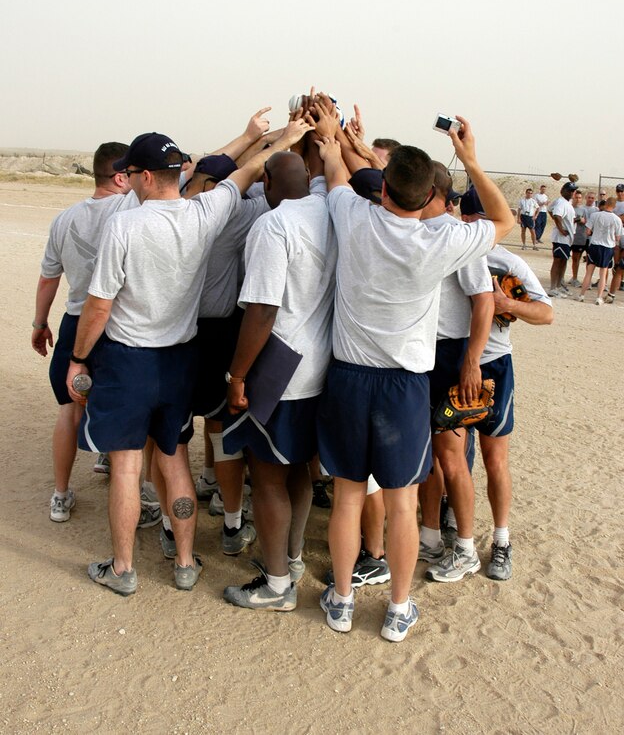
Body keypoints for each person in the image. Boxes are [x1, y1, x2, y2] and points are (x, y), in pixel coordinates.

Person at [66, 122, 311, 597]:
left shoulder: (124, 223)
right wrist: (283, 136)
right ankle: (183, 561)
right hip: (179, 358)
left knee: (126, 465)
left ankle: (123, 568)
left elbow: (99, 304)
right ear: (176, 172)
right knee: (175, 459)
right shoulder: (203, 214)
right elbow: (247, 172)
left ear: (139, 176)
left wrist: (78, 358)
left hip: (129, 359)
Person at [316, 116, 515, 642]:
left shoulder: (352, 215)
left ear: (383, 188)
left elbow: (336, 168)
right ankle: (399, 608)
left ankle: (341, 599)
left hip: (349, 376)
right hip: (404, 384)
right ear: (429, 194)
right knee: (402, 500)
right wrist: (469, 157)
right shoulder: (441, 238)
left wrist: (334, 135)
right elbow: (504, 219)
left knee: (348, 495)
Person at [222, 140, 337, 611]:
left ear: (266, 182)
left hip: (281, 368)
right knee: (299, 469)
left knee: (266, 476)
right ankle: (290, 559)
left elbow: (263, 308)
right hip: (322, 363)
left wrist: (238, 374)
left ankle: (275, 586)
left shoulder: (274, 225)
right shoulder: (327, 211)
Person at [32, 142, 132, 522]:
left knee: (69, 409)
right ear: (121, 176)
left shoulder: (64, 218)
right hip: (114, 324)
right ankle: (126, 477)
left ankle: (60, 494)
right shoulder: (129, 207)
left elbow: (48, 279)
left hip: (74, 320)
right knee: (121, 404)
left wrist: (40, 324)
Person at [457, 187, 554, 580]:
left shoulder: (507, 260)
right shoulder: (452, 251)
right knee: (450, 457)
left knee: (494, 459)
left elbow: (546, 313)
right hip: (453, 362)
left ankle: (501, 539)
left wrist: (508, 304)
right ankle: (455, 529)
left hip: (495, 365)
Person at [417, 164, 495, 582]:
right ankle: (429, 536)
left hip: (450, 355)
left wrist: (471, 360)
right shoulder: (416, 230)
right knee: (429, 454)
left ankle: (465, 547)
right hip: (422, 355)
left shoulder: (458, 237)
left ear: (430, 192)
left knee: (451, 456)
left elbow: (483, 300)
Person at [577, 197, 623, 304]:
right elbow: (618, 238)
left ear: (605, 204)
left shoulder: (595, 215)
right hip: (607, 247)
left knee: (589, 272)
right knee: (603, 273)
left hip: (594, 245)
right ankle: (598, 297)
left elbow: (588, 231)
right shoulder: (617, 219)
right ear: (614, 206)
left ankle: (582, 295)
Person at [547, 182, 576, 297]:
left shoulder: (565, 202)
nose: (572, 193)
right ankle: (553, 287)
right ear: (563, 191)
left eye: (573, 190)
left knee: (563, 261)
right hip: (561, 238)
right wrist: (561, 229)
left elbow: (550, 209)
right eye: (570, 190)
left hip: (567, 239)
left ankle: (559, 285)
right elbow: (557, 215)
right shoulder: (561, 202)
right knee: (558, 261)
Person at [570, 189, 588, 286]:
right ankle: (564, 278)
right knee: (565, 258)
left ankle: (575, 278)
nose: (578, 199)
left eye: (579, 198)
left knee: (576, 258)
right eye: (576, 197)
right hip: (568, 236)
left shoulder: (583, 210)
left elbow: (587, 222)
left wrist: (582, 220)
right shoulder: (569, 207)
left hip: (579, 237)